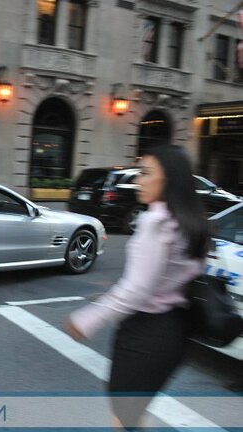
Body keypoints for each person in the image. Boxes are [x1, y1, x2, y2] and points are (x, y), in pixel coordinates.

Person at [64, 145, 210, 430]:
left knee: (125, 415)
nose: (138, 180)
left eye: (146, 173)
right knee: (131, 415)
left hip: (146, 333)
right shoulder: (189, 221)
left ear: (168, 179)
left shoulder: (156, 222)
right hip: (176, 331)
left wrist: (88, 319)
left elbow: (136, 290)